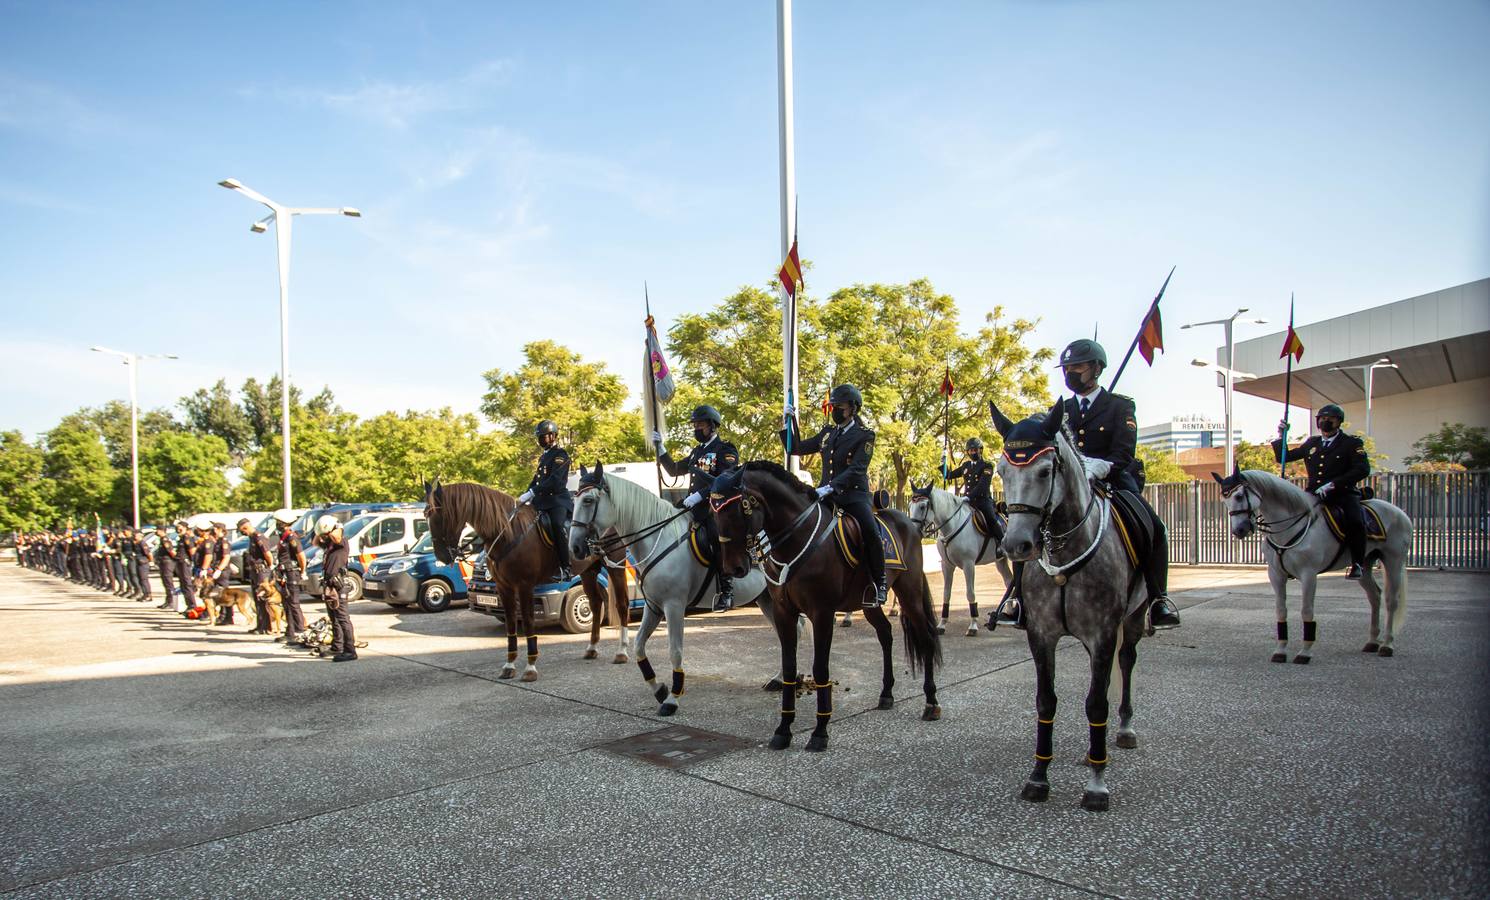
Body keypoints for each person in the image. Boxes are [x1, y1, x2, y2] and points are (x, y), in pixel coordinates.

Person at [1000, 339, 1180, 630]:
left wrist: (1100, 465)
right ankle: (1018, 599)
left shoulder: (1119, 407)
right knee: (1028, 526)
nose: (1071, 373)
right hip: (1070, 483)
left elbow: (1124, 451)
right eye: (1067, 369)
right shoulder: (1059, 410)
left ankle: (1158, 599)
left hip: (1112, 479)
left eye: (1077, 367)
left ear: (1096, 369)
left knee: (1154, 526)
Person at [782, 383, 886, 609]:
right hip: (825, 495)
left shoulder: (865, 435)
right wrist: (788, 423)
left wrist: (831, 487)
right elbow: (796, 448)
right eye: (833, 406)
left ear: (853, 408)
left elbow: (857, 469)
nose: (835, 410)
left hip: (853, 495)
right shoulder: (827, 433)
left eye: (840, 406)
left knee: (870, 531)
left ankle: (880, 583)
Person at [653, 405, 740, 611]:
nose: (696, 428)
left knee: (715, 536)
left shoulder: (725, 450)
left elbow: (725, 480)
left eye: (699, 424)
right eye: (694, 425)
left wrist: (700, 496)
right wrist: (661, 449)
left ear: (712, 426)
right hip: (693, 506)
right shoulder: (697, 452)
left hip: (715, 507)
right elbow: (674, 470)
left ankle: (727, 592)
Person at [1272, 403, 1370, 578]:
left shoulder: (1351, 443)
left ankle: (1357, 563)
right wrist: (1282, 435)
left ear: (1338, 422)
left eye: (1330, 419)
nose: (1325, 422)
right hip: (1314, 494)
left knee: (1355, 521)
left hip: (1342, 494)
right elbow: (1283, 457)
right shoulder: (1312, 443)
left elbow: (1362, 469)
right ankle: (1291, 562)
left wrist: (1334, 484)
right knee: (1291, 518)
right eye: (1322, 419)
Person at [518, 420, 574, 580]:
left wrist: (533, 492)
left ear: (553, 436)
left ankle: (566, 567)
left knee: (557, 526)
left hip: (557, 501)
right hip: (541, 502)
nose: (540, 440)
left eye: (543, 436)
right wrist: (525, 494)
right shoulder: (544, 457)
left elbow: (555, 481)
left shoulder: (560, 455)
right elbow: (537, 480)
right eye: (539, 437)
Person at [313, 515, 358, 661]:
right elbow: (314, 542)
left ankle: (350, 650)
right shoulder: (330, 545)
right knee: (334, 619)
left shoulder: (341, 542)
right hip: (330, 586)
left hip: (339, 585)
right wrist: (320, 532)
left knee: (343, 619)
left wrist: (334, 526)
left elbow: (337, 536)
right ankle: (337, 646)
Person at [945, 437, 1004, 544]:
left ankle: (1002, 543)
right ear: (967, 452)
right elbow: (949, 475)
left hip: (982, 501)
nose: (973, 452)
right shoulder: (965, 466)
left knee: (990, 518)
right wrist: (943, 463)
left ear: (980, 450)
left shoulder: (987, 466)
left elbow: (982, 486)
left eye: (975, 450)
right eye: (970, 450)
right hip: (967, 501)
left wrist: (968, 497)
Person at [273, 509, 308, 643]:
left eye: (278, 522)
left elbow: (301, 556)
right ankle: (290, 631)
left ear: (284, 523)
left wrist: (303, 571)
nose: (277, 524)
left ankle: (299, 631)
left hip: (291, 573)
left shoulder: (291, 537)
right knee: (287, 603)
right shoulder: (284, 537)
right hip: (284, 573)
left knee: (293, 603)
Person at [238, 517, 274, 635]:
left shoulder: (259, 537)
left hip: (262, 572)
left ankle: (268, 626)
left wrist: (269, 567)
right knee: (257, 600)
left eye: (242, 530)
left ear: (245, 527)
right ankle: (260, 625)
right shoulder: (252, 538)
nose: (242, 533)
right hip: (255, 572)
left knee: (263, 599)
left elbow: (267, 555)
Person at [153, 525, 177, 609]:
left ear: (161, 531)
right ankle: (168, 600)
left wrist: (176, 559)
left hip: (167, 563)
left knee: (168, 582)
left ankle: (171, 601)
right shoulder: (161, 539)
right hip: (163, 562)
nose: (156, 532)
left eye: (157, 530)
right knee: (165, 582)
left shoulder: (165, 539)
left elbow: (171, 551)